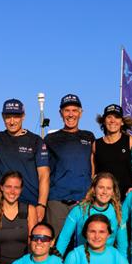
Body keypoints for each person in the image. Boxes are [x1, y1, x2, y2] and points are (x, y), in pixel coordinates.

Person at [0, 99, 49, 222]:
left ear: (23, 116)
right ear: (3, 117)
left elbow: (44, 175)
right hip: (6, 207)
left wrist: (41, 205)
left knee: (33, 241)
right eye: (8, 117)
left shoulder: (35, 141)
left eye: (16, 116)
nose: (12, 121)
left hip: (32, 205)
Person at [44, 94, 96, 240]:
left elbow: (93, 168)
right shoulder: (51, 139)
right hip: (57, 201)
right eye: (67, 110)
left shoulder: (89, 136)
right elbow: (44, 171)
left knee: (83, 244)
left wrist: (90, 194)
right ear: (61, 113)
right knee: (56, 244)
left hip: (83, 200)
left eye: (74, 110)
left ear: (81, 112)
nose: (71, 114)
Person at [56, 172, 128, 258]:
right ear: (93, 190)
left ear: (113, 192)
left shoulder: (118, 213)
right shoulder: (79, 210)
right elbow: (64, 239)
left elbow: (122, 247)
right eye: (101, 187)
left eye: (108, 188)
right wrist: (56, 262)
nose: (104, 192)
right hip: (82, 260)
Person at [0, 172, 37, 264]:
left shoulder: (30, 210)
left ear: (21, 189)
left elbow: (33, 243)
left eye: (16, 187)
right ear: (1, 187)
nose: (12, 191)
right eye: (8, 187)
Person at [92, 104, 132, 199]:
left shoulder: (130, 141)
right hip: (104, 200)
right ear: (104, 121)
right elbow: (93, 175)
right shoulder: (96, 144)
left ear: (122, 122)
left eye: (117, 117)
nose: (113, 120)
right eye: (109, 117)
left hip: (126, 198)